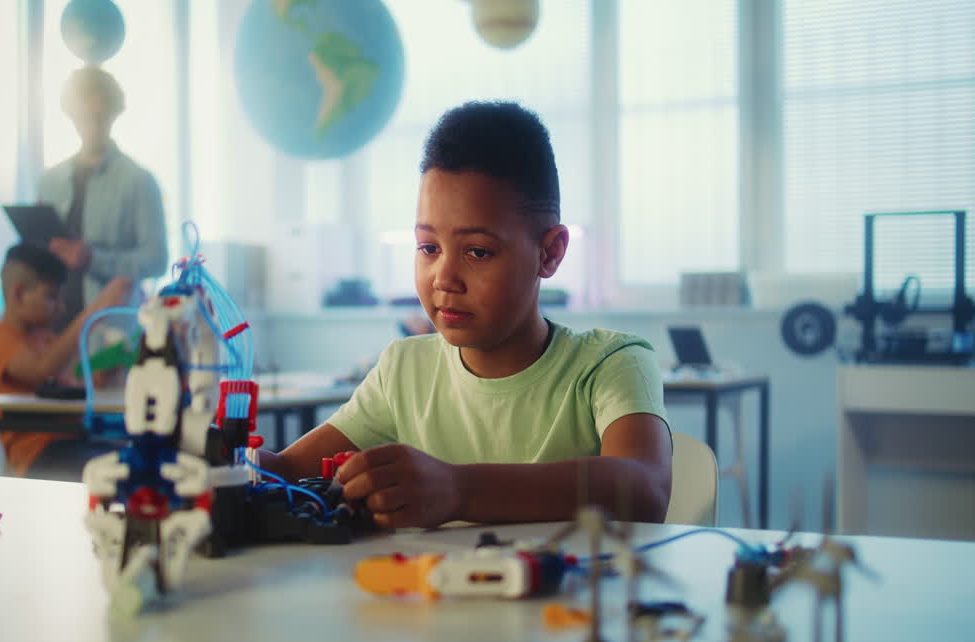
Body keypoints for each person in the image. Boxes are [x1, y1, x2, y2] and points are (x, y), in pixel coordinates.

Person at [254, 101, 673, 527]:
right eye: (428, 248)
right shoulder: (404, 371)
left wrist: (458, 490)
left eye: (477, 251)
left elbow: (644, 488)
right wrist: (218, 460)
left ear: (549, 252)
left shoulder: (610, 363)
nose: (444, 278)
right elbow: (285, 472)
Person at [0, 243, 132, 481]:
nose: (61, 307)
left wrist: (111, 367)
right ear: (19, 294)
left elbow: (80, 384)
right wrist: (94, 310)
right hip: (40, 456)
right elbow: (42, 371)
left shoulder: (48, 341)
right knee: (123, 473)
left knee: (144, 461)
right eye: (51, 296)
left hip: (78, 441)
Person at [37, 66, 167, 331]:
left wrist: (93, 259)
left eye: (100, 116)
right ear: (71, 114)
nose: (92, 125)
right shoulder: (50, 181)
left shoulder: (138, 181)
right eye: (84, 116)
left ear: (113, 113)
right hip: (51, 331)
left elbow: (156, 260)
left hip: (109, 332)